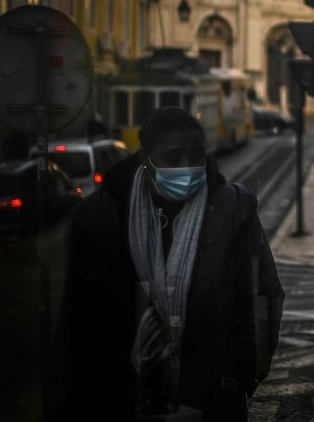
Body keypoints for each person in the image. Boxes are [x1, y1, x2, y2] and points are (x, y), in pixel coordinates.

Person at [60, 107, 284, 421]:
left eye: (196, 155)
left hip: (213, 398)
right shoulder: (99, 216)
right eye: (173, 157)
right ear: (145, 159)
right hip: (121, 398)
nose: (188, 167)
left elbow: (263, 299)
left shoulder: (234, 209)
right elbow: (79, 321)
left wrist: (238, 378)